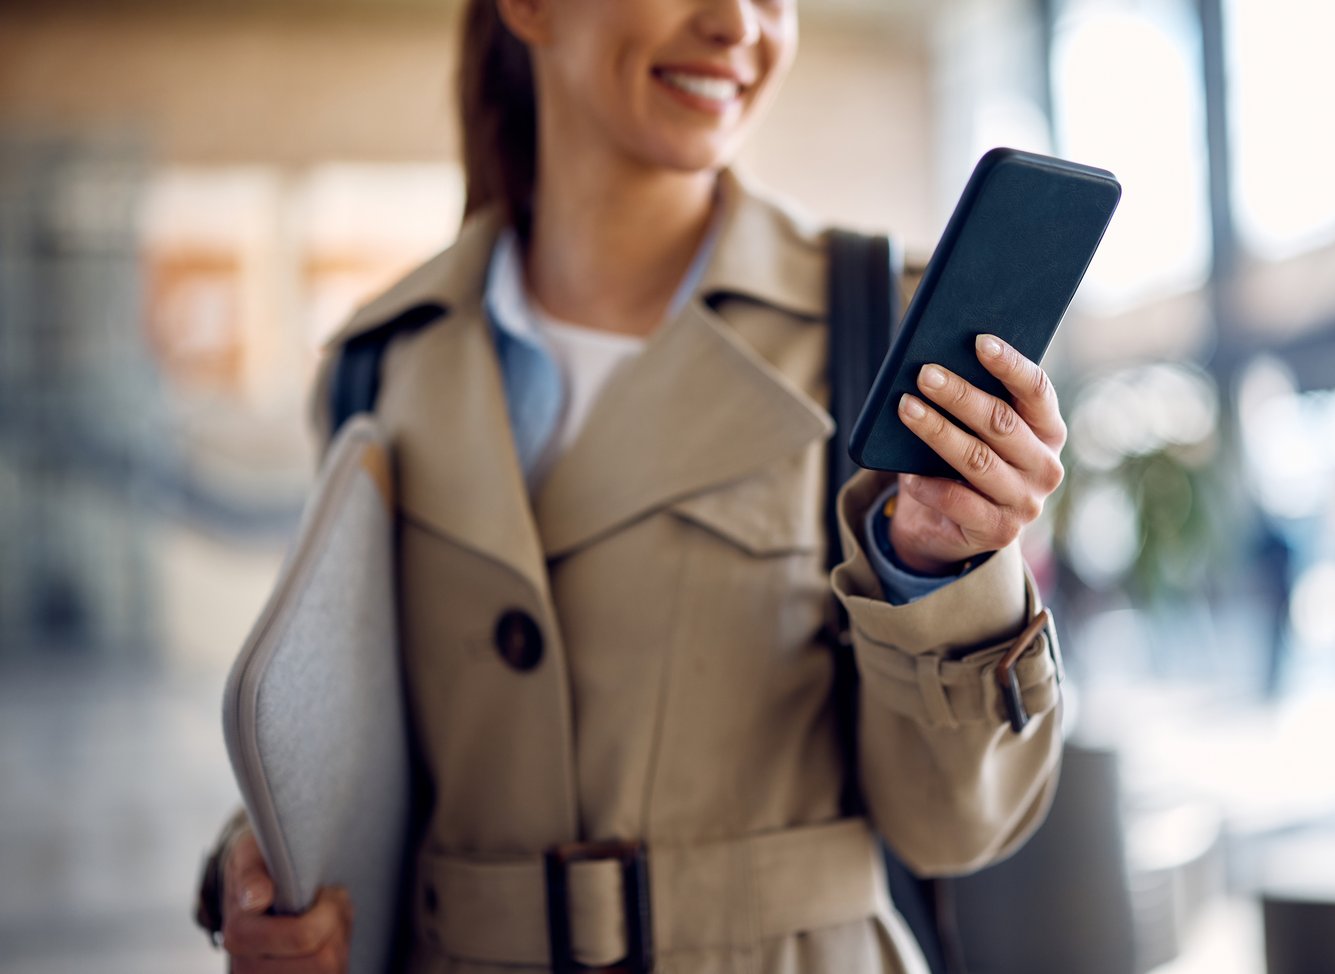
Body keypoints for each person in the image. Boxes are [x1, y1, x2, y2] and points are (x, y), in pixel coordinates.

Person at [194, 0, 1069, 970]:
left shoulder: (878, 334)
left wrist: (942, 570)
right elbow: (352, 726)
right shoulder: (382, 361)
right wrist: (267, 870)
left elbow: (951, 829)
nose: (738, 22)